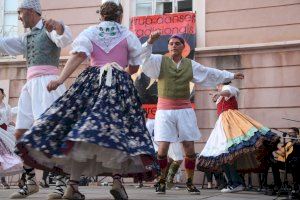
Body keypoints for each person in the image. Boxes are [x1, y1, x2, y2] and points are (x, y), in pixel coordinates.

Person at [16, 1, 156, 200]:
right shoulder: (128, 35)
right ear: (120, 17)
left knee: (82, 134)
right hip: (118, 85)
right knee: (117, 132)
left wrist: (60, 80)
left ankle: (72, 186)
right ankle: (117, 182)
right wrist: (121, 72)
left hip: (91, 84)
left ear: (101, 16)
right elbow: (134, 67)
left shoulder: (91, 32)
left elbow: (78, 56)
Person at [140, 31, 244, 195]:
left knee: (189, 147)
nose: (174, 46)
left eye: (177, 43)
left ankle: (189, 182)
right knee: (162, 149)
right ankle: (161, 181)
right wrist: (150, 42)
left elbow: (209, 72)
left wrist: (230, 75)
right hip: (164, 110)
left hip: (184, 110)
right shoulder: (160, 61)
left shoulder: (190, 64)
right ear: (168, 47)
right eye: (171, 43)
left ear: (183, 47)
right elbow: (143, 58)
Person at [0, 0, 72, 198]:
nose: (18, 17)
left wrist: (58, 26)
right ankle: (31, 180)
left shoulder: (48, 29)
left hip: (48, 84)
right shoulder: (27, 37)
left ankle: (60, 182)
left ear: (31, 12)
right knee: (20, 133)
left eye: (20, 13)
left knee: (52, 133)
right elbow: (4, 44)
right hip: (30, 86)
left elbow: (65, 39)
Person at [198, 82, 279, 193]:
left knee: (227, 154)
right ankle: (232, 183)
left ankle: (236, 183)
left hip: (231, 122)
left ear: (222, 83)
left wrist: (218, 93)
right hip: (222, 125)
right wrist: (217, 95)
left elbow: (228, 92)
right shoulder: (221, 95)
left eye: (218, 84)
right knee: (223, 156)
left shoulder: (228, 88)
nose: (216, 86)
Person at [0, 88, 23, 189]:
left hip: (5, 132)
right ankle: (3, 180)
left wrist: (11, 123)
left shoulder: (7, 106)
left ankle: (2, 179)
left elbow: (8, 118)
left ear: (3, 95)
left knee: (6, 157)